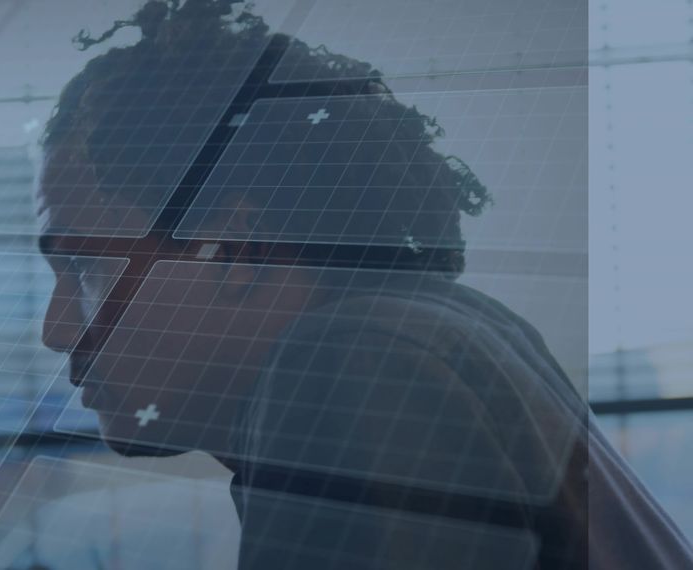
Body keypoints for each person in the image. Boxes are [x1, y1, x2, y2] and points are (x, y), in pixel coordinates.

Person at [35, 1, 693, 568]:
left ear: (231, 250)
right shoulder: (444, 331)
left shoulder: (354, 363)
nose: (57, 330)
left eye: (88, 268)